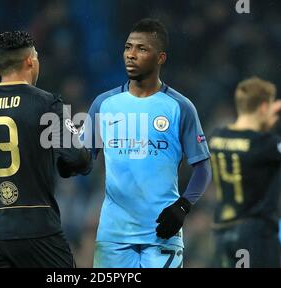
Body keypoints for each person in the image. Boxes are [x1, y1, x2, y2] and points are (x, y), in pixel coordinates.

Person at [0, 31, 92, 268]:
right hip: (37, 228)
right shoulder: (47, 104)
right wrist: (60, 167)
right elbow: (78, 159)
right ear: (30, 61)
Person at [82, 19, 212, 268]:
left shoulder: (180, 107)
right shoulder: (104, 104)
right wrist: (68, 159)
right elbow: (84, 160)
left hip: (162, 232)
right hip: (113, 235)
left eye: (142, 49)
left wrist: (183, 207)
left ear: (160, 57)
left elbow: (203, 168)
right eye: (128, 47)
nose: (131, 55)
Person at [210, 77, 281, 268]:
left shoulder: (216, 137)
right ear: (263, 107)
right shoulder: (266, 143)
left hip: (222, 231)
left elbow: (249, 152)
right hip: (255, 235)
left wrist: (265, 125)